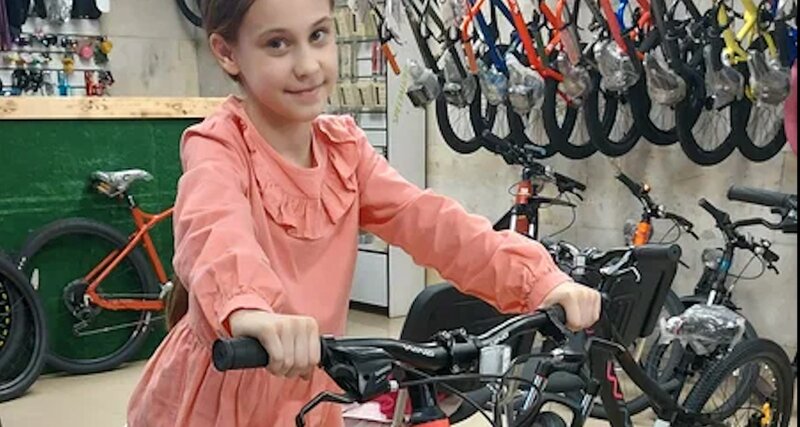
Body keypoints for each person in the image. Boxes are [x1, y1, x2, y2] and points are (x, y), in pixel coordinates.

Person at [126, 0, 601, 425]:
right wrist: (250, 309)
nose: (307, 65)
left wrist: (538, 279)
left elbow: (428, 220)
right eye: (277, 44)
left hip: (312, 389)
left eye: (318, 35)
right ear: (227, 53)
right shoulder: (219, 145)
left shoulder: (344, 150)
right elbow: (214, 229)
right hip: (225, 390)